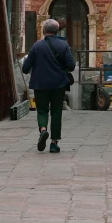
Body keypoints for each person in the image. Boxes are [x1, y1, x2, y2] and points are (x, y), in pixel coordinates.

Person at [21, 17, 75, 153]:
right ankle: (54, 143)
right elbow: (71, 65)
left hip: (40, 84)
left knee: (42, 110)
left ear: (44, 30)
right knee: (56, 112)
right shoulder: (64, 46)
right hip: (59, 84)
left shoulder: (36, 46)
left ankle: (43, 130)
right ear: (57, 31)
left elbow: (25, 68)